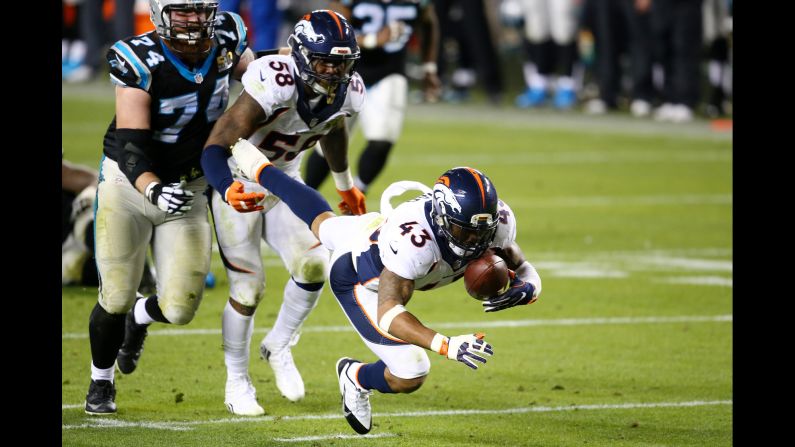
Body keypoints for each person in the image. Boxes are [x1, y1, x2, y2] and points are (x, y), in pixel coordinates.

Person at [228, 139, 542, 434]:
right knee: (412, 372)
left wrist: (528, 290)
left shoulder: (495, 223)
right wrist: (447, 345)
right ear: (443, 219)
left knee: (322, 222)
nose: (476, 241)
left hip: (371, 229)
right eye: (467, 232)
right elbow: (390, 313)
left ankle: (262, 171)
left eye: (482, 232)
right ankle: (355, 376)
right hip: (361, 278)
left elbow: (525, 269)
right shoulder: (416, 242)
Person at [84, 0, 255, 415]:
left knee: (179, 308)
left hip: (189, 182)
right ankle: (101, 382)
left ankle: (141, 316)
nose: (194, 20)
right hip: (130, 184)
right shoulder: (138, 57)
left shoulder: (229, 34)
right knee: (116, 293)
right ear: (161, 12)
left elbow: (259, 81)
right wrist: (153, 189)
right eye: (184, 11)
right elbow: (130, 146)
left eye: (201, 10)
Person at [200, 9, 367, 415]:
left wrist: (345, 184)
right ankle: (236, 381)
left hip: (285, 179)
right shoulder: (275, 78)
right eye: (325, 60)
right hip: (240, 178)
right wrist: (226, 187)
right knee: (247, 289)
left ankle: (279, 344)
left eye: (341, 62)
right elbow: (216, 145)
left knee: (314, 264)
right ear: (301, 55)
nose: (332, 71)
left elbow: (333, 127)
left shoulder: (350, 90)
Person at [303, 0, 441, 195]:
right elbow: (331, 30)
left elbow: (429, 22)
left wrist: (429, 67)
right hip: (344, 72)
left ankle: (359, 192)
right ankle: (306, 195)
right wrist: (371, 40)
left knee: (382, 140)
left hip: (390, 71)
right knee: (327, 144)